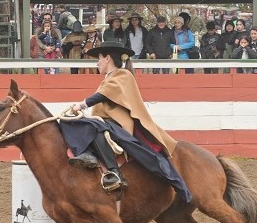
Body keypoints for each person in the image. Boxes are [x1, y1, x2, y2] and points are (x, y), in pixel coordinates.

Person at [61, 41, 191, 201]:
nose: (97, 63)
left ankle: (114, 172)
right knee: (74, 123)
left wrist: (82, 104)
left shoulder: (122, 75)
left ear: (107, 58)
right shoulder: (110, 78)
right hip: (106, 122)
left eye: (99, 58)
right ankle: (87, 154)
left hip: (117, 125)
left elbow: (103, 94)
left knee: (94, 125)